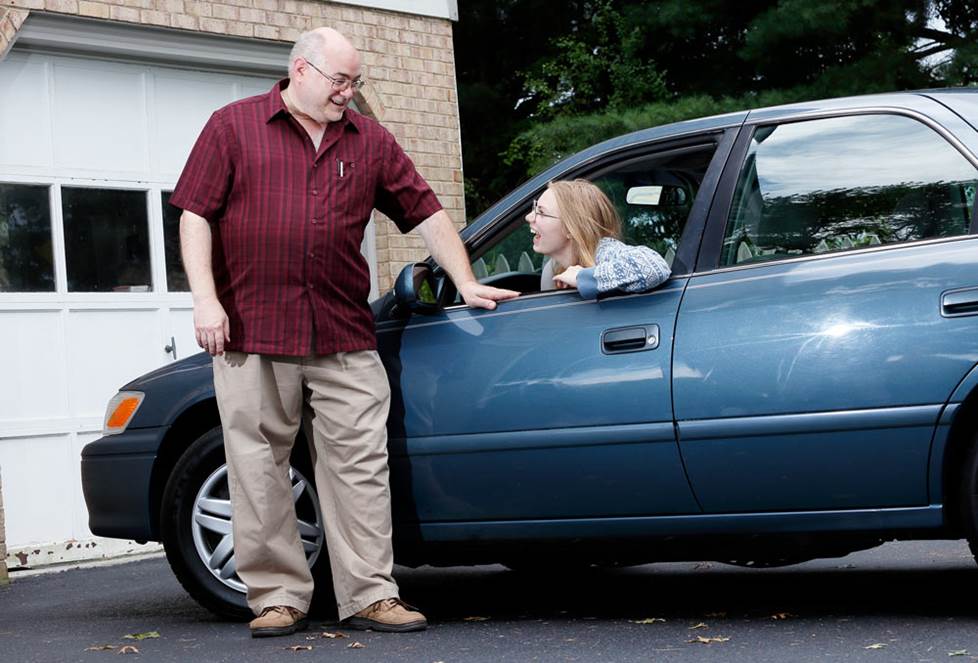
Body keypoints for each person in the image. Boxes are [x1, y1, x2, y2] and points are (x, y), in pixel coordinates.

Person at [170, 27, 518, 638]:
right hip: (252, 330)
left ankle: (370, 594)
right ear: (300, 71)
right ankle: (277, 597)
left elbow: (426, 210)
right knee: (257, 466)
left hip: (342, 331)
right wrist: (206, 301)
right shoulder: (233, 127)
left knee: (359, 466)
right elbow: (196, 212)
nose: (349, 94)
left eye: (355, 83)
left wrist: (464, 280)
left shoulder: (370, 140)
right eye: (341, 81)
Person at [527, 179, 671, 297]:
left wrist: (583, 277)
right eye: (534, 209)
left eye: (541, 212)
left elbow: (655, 268)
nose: (528, 217)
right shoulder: (552, 268)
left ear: (571, 228)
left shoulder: (603, 251)